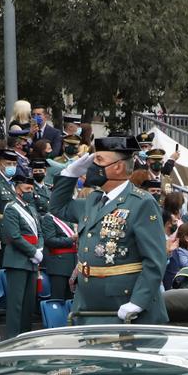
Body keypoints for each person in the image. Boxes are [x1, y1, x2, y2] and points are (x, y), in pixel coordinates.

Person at [50, 137, 168, 324]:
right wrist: (69, 174)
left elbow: (155, 259)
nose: (92, 166)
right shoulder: (94, 200)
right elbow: (57, 207)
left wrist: (138, 302)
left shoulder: (141, 202)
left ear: (118, 167)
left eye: (99, 161)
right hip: (87, 305)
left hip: (123, 305)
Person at [0, 174, 42, 338]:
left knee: (28, 305)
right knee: (16, 304)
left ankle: (25, 338)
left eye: (32, 189)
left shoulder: (31, 209)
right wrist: (33, 252)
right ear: (17, 190)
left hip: (32, 261)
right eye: (27, 189)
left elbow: (39, 233)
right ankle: (12, 338)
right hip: (17, 260)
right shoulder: (11, 208)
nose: (30, 192)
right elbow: (14, 235)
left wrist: (40, 250)